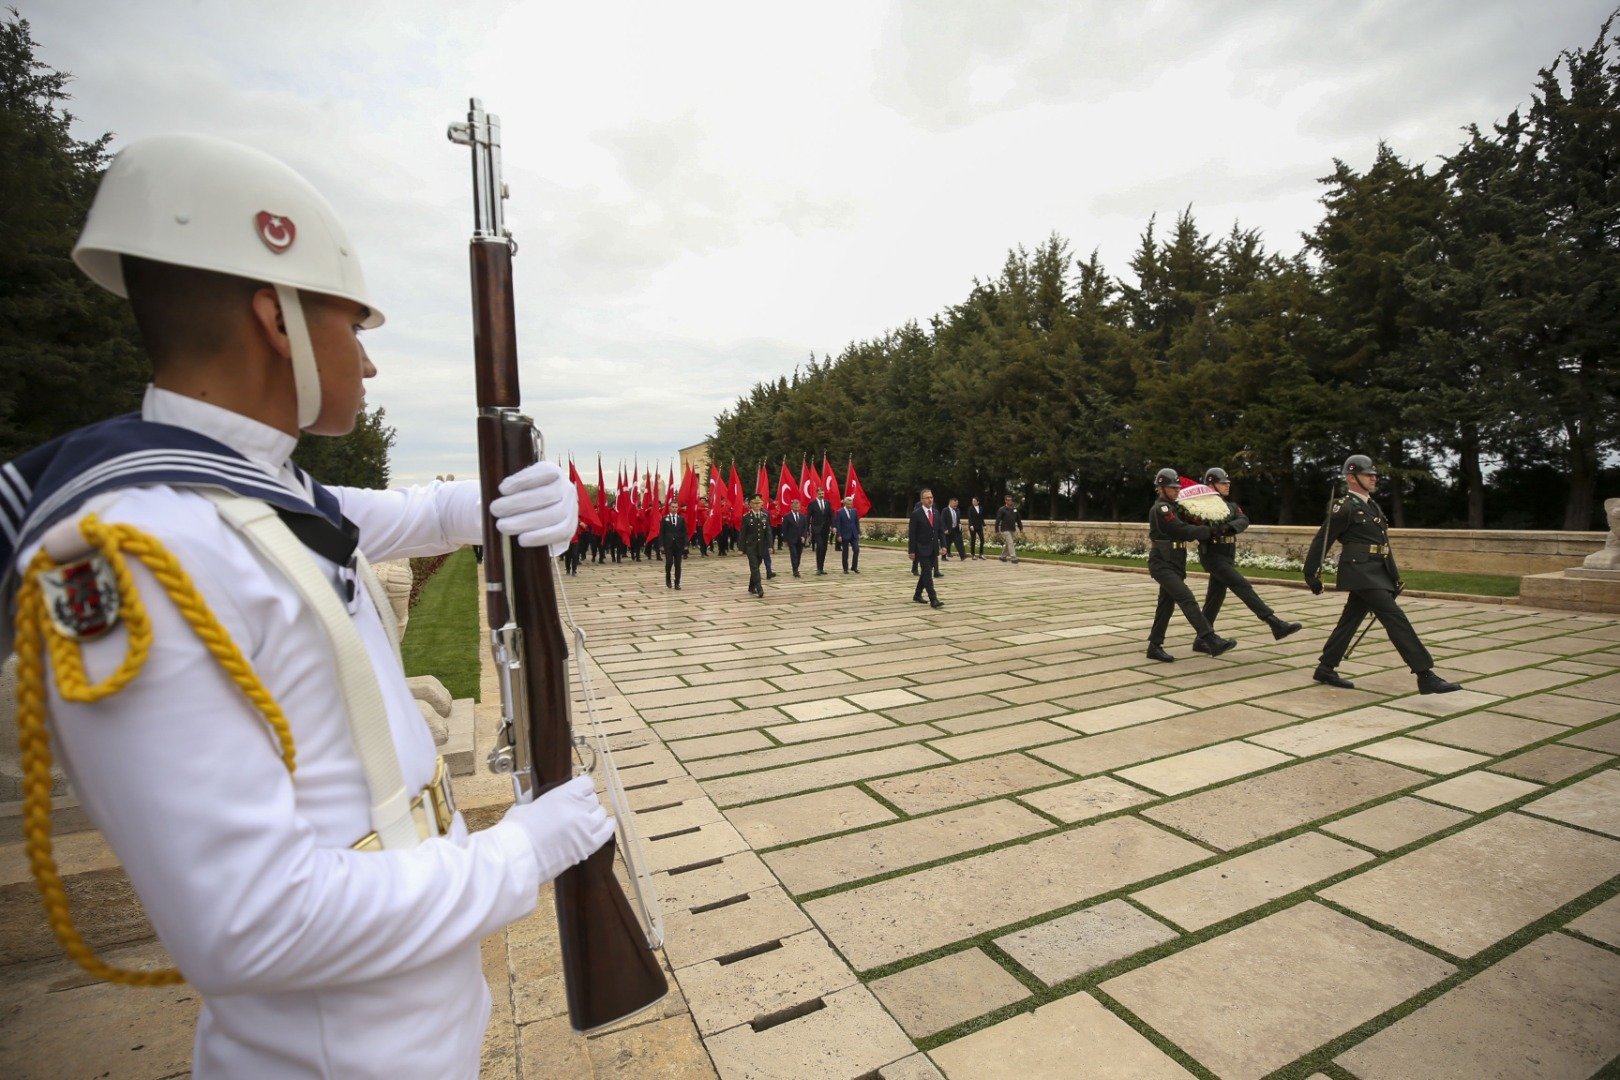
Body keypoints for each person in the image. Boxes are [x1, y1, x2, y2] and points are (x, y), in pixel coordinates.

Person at [0, 134, 612, 1078]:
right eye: (353, 325)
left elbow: (412, 513)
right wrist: (517, 856)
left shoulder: (249, 493)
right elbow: (252, 926)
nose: (365, 364)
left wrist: (525, 491)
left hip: (404, 1027)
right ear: (275, 318)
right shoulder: (143, 555)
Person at [1304, 455, 1463, 694]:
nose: (1373, 478)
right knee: (1395, 618)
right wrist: (1312, 573)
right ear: (1351, 477)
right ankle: (1425, 675)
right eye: (1368, 474)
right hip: (1359, 572)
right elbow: (1321, 540)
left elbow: (1382, 545)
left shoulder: (1372, 505)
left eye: (1374, 474)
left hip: (1375, 571)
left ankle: (1326, 667)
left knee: (1350, 620)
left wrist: (1393, 576)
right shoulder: (1344, 507)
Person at [1194, 467, 1302, 648]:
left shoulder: (1230, 506)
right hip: (1212, 556)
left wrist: (1226, 528)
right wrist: (1216, 528)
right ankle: (1274, 622)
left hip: (1227, 555)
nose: (1227, 485)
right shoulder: (1200, 507)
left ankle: (1202, 639)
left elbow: (1243, 520)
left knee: (1215, 598)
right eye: (1223, 483)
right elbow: (1201, 527)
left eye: (1228, 482)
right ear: (1211, 485)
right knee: (1241, 585)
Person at [1145, 469, 1235, 662]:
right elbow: (1180, 529)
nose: (1176, 490)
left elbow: (1188, 521)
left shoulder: (1176, 507)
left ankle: (1154, 645)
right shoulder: (1161, 509)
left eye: (1177, 487)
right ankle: (1210, 639)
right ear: (1161, 488)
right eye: (1172, 487)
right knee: (1187, 599)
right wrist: (1208, 531)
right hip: (1162, 562)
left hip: (1175, 561)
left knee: (1166, 604)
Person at [908, 488, 944, 608]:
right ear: (922, 500)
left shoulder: (936, 512)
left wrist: (943, 545)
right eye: (927, 498)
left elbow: (940, 531)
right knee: (928, 573)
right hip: (921, 548)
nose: (930, 500)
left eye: (931, 497)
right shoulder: (916, 514)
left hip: (933, 548)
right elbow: (912, 534)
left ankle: (917, 594)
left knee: (925, 572)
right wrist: (911, 551)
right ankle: (933, 599)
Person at [741, 494, 771, 597]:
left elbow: (768, 532)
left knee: (756, 566)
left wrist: (770, 546)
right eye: (755, 503)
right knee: (754, 567)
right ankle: (759, 588)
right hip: (751, 547)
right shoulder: (746, 517)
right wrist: (741, 548)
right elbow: (742, 534)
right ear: (750, 505)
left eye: (759, 503)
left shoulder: (764, 516)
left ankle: (751, 586)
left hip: (761, 546)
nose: (757, 505)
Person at [660, 503, 688, 589]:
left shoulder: (681, 519)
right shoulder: (665, 519)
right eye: (672, 507)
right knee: (669, 563)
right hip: (668, 545)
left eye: (676, 507)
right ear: (669, 508)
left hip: (678, 545)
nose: (674, 509)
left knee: (678, 565)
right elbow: (661, 533)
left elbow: (684, 533)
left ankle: (677, 583)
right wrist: (661, 545)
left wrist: (686, 544)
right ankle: (668, 578)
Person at [807, 485, 833, 575]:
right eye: (820, 493)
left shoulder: (827, 503)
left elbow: (831, 515)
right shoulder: (812, 503)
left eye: (823, 493)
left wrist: (833, 526)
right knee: (820, 546)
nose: (821, 495)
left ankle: (821, 568)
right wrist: (807, 529)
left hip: (825, 529)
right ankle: (818, 568)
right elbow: (808, 516)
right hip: (816, 528)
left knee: (824, 548)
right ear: (816, 494)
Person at [781, 498, 809, 576]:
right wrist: (785, 540)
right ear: (792, 507)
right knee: (794, 554)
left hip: (800, 539)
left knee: (799, 554)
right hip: (791, 539)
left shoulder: (803, 517)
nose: (796, 509)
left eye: (798, 507)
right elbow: (784, 529)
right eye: (795, 507)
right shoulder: (787, 516)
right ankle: (795, 570)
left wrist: (804, 536)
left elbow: (805, 528)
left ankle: (796, 567)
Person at [835, 495, 861, 572]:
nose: (850, 506)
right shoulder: (840, 512)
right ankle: (845, 568)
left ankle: (854, 566)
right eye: (848, 504)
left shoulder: (854, 511)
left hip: (853, 534)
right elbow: (838, 524)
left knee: (856, 550)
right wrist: (839, 535)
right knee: (845, 552)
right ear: (845, 504)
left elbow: (857, 522)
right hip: (844, 534)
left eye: (851, 504)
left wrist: (858, 532)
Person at [996, 495, 1023, 562]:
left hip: (1012, 528)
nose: (1010, 501)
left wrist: (1021, 528)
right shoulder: (1002, 509)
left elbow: (1018, 519)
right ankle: (1013, 558)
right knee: (1010, 542)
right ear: (1005, 501)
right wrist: (997, 530)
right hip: (1005, 529)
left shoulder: (1015, 509)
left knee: (1008, 543)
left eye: (1010, 500)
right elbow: (998, 520)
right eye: (1008, 500)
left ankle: (1003, 556)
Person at [942, 497, 967, 561]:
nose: (956, 505)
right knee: (946, 543)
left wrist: (960, 528)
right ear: (950, 502)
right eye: (954, 503)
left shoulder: (957, 510)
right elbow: (942, 521)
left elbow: (958, 521)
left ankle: (963, 556)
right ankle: (944, 557)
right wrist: (945, 529)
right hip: (948, 530)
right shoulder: (945, 510)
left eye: (957, 503)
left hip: (956, 529)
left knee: (959, 542)